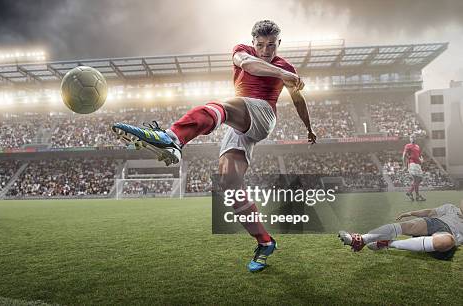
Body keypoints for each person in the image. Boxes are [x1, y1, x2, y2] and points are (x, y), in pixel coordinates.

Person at [112, 20, 316, 272]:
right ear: (253, 43)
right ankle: (264, 242)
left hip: (263, 113)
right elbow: (248, 64)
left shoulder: (286, 65)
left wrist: (309, 127)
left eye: (271, 45)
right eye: (261, 45)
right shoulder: (245, 52)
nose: (266, 50)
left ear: (279, 43)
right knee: (229, 183)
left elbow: (298, 99)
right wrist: (282, 74)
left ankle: (173, 138)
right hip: (238, 121)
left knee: (221, 105)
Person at [338, 200, 462, 260]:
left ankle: (388, 243)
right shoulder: (451, 208)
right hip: (436, 223)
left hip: (446, 235)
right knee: (409, 225)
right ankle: (360, 240)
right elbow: (430, 212)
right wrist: (410, 213)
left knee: (446, 241)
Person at [403, 135, 425, 201]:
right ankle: (416, 195)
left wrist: (422, 159)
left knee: (419, 179)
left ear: (416, 138)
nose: (413, 138)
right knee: (416, 179)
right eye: (411, 137)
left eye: (414, 137)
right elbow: (404, 156)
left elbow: (420, 155)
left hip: (418, 164)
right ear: (409, 139)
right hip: (412, 164)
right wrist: (404, 165)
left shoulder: (417, 146)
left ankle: (411, 193)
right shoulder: (407, 146)